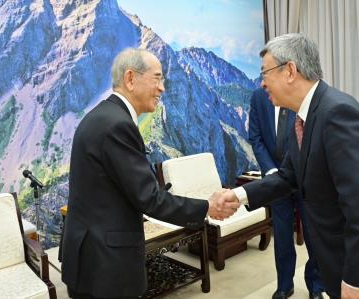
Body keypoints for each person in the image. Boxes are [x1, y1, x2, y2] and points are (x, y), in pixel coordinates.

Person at [213, 34, 359, 299]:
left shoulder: (338, 114)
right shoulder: (303, 117)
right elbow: (288, 176)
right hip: (338, 257)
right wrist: (239, 195)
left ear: (290, 71)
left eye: (265, 72)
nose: (262, 82)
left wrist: (357, 279)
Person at [61, 48, 239, 299]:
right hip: (105, 266)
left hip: (90, 256)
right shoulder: (117, 125)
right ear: (131, 79)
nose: (162, 88)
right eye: (156, 78)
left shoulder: (103, 116)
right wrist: (207, 206)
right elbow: (149, 198)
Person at [249, 88, 324, 299]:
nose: (264, 78)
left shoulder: (300, 94)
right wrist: (272, 172)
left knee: (313, 233)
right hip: (275, 180)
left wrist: (294, 169)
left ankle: (316, 287)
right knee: (281, 235)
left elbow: (308, 135)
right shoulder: (258, 97)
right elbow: (255, 138)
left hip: (304, 176)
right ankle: (284, 285)